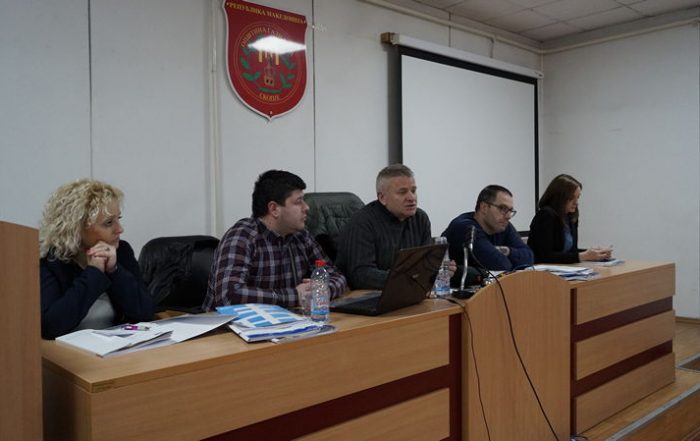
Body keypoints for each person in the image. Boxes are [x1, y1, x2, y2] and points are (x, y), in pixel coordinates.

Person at [202, 170, 347, 310]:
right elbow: (229, 296)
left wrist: (323, 290)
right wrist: (295, 295)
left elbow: (337, 276)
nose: (306, 207)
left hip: (287, 321)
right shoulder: (242, 237)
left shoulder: (301, 236)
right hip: (230, 325)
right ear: (274, 209)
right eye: (298, 202)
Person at [39, 179, 153, 339]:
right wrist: (93, 273)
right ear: (76, 229)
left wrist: (114, 270)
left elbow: (145, 314)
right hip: (68, 349)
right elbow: (51, 327)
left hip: (115, 345)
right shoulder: (50, 261)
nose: (120, 229)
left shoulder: (121, 251)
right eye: (108, 223)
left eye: (118, 219)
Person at [336, 164, 455, 289]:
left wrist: (437, 270)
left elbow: (424, 264)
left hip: (407, 290)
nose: (411, 198)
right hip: (367, 294)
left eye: (413, 191)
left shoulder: (420, 218)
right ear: (382, 198)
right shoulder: (362, 223)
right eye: (402, 192)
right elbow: (361, 276)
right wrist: (410, 277)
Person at [442, 185, 534, 271]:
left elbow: (529, 258)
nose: (508, 216)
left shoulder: (502, 225)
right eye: (502, 208)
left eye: (510, 210)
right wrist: (513, 259)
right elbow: (502, 265)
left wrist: (507, 251)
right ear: (484, 207)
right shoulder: (464, 227)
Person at [528, 174, 612, 263]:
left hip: (562, 268)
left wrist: (595, 254)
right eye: (571, 198)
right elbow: (545, 256)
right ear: (559, 198)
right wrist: (584, 256)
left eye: (577, 197)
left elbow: (571, 252)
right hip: (540, 269)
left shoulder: (571, 216)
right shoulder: (545, 215)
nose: (576, 203)